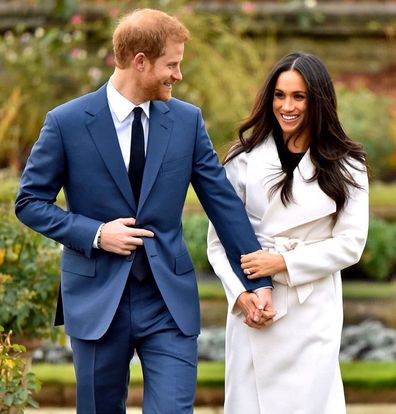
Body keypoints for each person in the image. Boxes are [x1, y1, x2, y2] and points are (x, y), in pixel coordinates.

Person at [15, 8, 276, 414]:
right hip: (97, 300)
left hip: (167, 301)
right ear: (140, 61)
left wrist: (257, 280)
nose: (178, 75)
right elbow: (29, 202)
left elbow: (222, 203)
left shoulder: (187, 122)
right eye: (172, 64)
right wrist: (97, 234)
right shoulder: (65, 122)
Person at [207, 51, 369, 414]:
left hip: (311, 310)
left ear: (319, 101)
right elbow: (219, 242)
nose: (287, 106)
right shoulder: (242, 159)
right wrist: (242, 297)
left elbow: (351, 244)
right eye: (279, 95)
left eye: (299, 96)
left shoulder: (348, 164)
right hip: (255, 309)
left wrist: (281, 262)